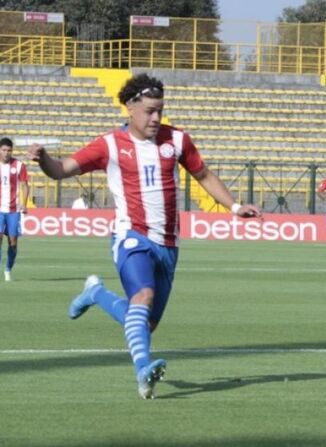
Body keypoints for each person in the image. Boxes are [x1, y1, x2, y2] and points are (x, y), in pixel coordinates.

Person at [28, 73, 262, 399]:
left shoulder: (177, 141)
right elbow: (62, 170)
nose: (156, 118)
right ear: (130, 108)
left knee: (143, 323)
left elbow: (204, 175)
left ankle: (95, 293)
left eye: (160, 111)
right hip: (131, 235)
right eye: (150, 111)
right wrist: (44, 161)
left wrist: (234, 207)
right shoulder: (109, 145)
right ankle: (143, 371)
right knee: (143, 298)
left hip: (168, 245)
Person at [0, 137, 29, 282]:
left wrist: (24, 203)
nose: (6, 153)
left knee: (13, 242)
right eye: (4, 150)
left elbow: (24, 185)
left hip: (14, 209)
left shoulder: (19, 165)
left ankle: (8, 269)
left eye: (9, 150)